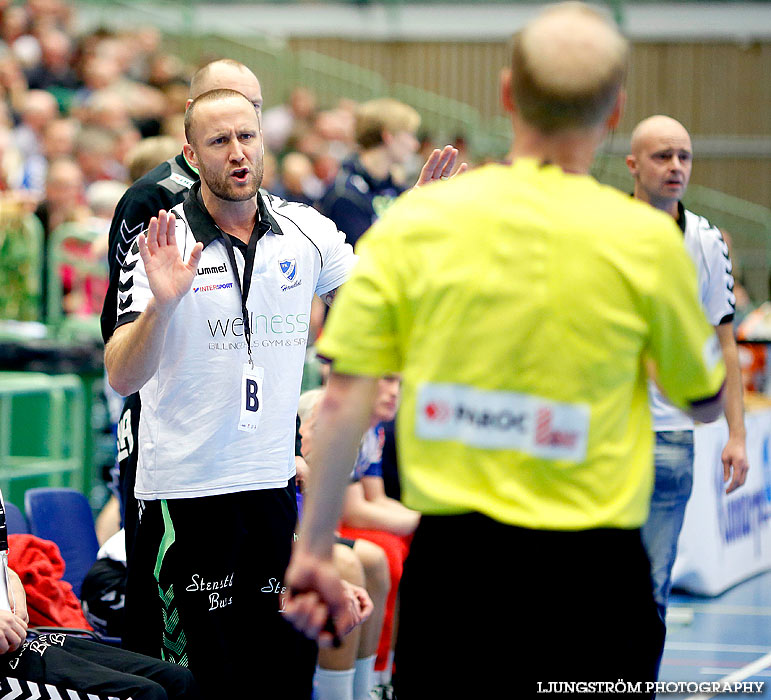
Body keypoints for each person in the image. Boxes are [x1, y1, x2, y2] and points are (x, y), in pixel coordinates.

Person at [283, 3, 727, 698]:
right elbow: (701, 401)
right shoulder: (648, 242)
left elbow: (343, 397)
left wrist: (311, 552)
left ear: (505, 94)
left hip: (460, 579)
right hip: (597, 577)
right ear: (613, 114)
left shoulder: (416, 223)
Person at [103, 86, 358, 697]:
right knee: (195, 686)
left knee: (279, 680)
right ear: (192, 154)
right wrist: (161, 308)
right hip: (185, 498)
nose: (238, 153)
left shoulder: (306, 231)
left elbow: (378, 304)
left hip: (269, 491)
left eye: (247, 136)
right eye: (219, 141)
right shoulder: (163, 242)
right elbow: (121, 375)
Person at [626, 116, 749, 625]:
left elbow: (725, 341)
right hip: (604, 435)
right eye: (662, 156)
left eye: (684, 156)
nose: (676, 167)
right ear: (633, 164)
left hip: (671, 437)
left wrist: (736, 435)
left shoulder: (706, 240)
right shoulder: (604, 231)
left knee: (652, 588)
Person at [0, 495, 201, 700]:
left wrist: (11, 580)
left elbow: (5, 567)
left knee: (178, 679)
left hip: (21, 643)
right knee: (145, 694)